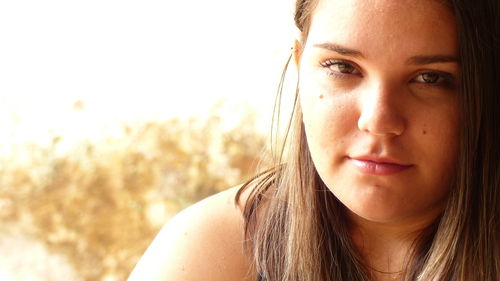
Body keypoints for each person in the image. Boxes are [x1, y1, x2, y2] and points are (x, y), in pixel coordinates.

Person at [127, 0, 499, 280]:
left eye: (430, 78)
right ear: (300, 64)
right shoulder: (208, 253)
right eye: (342, 67)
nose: (378, 120)